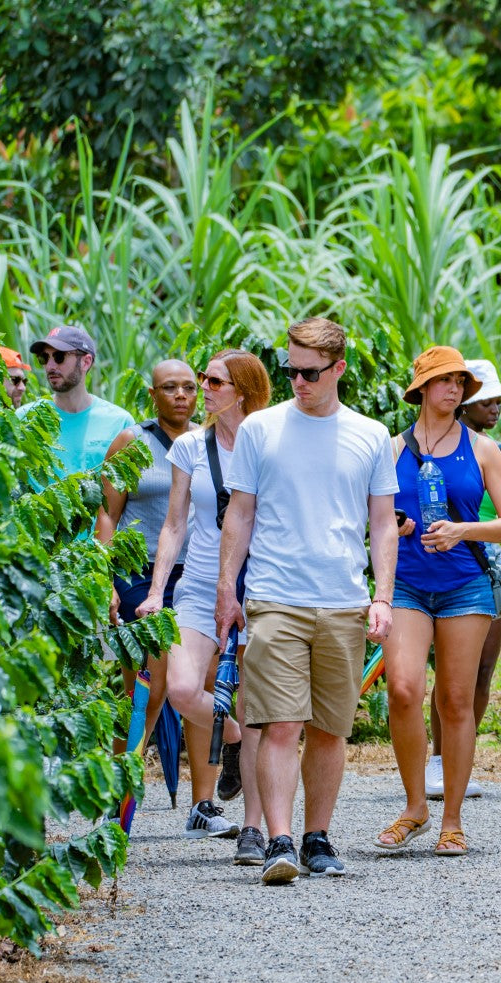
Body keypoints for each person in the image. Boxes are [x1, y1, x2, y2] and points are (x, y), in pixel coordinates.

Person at [214, 318, 400, 884]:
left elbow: (384, 523)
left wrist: (383, 597)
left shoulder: (369, 434)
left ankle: (318, 837)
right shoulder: (260, 430)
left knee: (329, 728)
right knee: (279, 723)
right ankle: (279, 840)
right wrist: (228, 588)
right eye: (290, 369)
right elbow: (239, 513)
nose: (297, 381)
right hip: (275, 595)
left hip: (342, 598)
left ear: (339, 369)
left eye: (310, 372)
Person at [377, 347, 501, 857]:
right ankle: (415, 806)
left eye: (460, 382)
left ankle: (452, 819)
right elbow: (367, 517)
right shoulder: (390, 447)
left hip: (466, 583)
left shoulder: (483, 449)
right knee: (402, 688)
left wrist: (464, 529)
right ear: (421, 389)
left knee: (457, 701)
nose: (454, 390)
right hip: (407, 584)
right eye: (443, 381)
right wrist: (397, 526)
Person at [138, 351, 272, 864]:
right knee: (179, 689)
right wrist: (156, 592)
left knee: (256, 702)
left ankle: (255, 830)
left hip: (258, 584)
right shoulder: (191, 447)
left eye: (213, 382)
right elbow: (173, 525)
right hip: (196, 585)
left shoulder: (269, 441)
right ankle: (235, 739)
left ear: (240, 389)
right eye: (203, 380)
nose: (202, 390)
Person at [422, 358, 501, 802]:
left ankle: (460, 759)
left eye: (498, 400)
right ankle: (438, 759)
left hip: (488, 559)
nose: (493, 407)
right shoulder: (431, 446)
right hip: (446, 558)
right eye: (484, 399)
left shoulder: (495, 449)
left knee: (483, 669)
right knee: (451, 672)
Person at [95, 359, 198, 781]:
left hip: (194, 573)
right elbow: (106, 515)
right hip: (138, 573)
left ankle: (203, 804)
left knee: (200, 683)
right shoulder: (131, 441)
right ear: (152, 395)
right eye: (169, 387)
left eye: (189, 387)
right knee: (148, 688)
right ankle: (122, 784)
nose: (180, 395)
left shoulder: (209, 441)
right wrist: (105, 580)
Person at [21, 325, 133, 475]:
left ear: (86, 362)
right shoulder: (24, 418)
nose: (50, 366)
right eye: (44, 358)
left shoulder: (120, 423)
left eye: (59, 357)